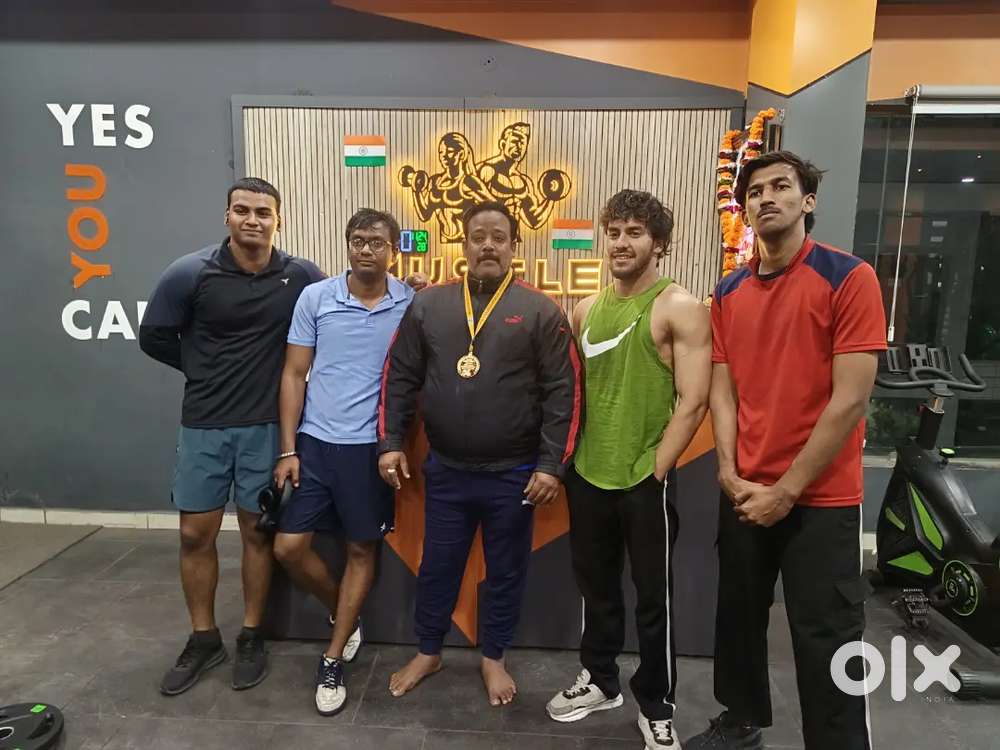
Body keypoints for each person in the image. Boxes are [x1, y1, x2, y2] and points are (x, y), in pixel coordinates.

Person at [687, 151, 886, 750]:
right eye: (754, 191)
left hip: (821, 497)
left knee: (827, 633)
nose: (766, 197)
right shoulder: (729, 290)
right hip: (747, 489)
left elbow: (850, 400)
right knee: (739, 618)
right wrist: (727, 469)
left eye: (781, 186)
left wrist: (788, 490)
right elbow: (723, 388)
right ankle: (741, 722)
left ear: (808, 201)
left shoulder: (849, 277)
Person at [377, 200, 582, 706]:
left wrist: (551, 465)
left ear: (515, 246)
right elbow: (399, 377)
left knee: (505, 571)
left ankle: (494, 656)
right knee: (437, 565)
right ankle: (428, 650)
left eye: (498, 237)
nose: (488, 245)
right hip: (447, 470)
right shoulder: (429, 305)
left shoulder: (540, 310)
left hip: (514, 474)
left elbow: (565, 393)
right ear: (464, 243)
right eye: (478, 237)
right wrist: (391, 442)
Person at [139, 177, 324, 696]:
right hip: (204, 424)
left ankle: (251, 634)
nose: (252, 220)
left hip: (266, 427)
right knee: (193, 535)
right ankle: (204, 638)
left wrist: (411, 288)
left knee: (256, 534)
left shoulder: (300, 275)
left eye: (263, 212)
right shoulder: (189, 273)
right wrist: (201, 368)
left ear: (278, 220)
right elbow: (154, 336)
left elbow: (344, 300)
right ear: (227, 216)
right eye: (242, 210)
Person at [545, 190, 712, 749]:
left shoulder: (678, 307)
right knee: (596, 589)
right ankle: (599, 680)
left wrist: (655, 471)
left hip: (643, 479)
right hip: (588, 473)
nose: (621, 242)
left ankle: (657, 705)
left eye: (635, 232)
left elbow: (694, 399)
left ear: (658, 243)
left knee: (652, 600)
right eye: (614, 232)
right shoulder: (586, 309)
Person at [270, 208, 415, 716]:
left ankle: (332, 658)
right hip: (313, 443)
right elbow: (294, 374)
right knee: (288, 547)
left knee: (359, 548)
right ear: (347, 244)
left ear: (393, 249)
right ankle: (344, 614)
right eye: (357, 240)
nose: (365, 249)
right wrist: (288, 449)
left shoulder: (409, 303)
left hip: (370, 450)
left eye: (376, 242)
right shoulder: (316, 298)